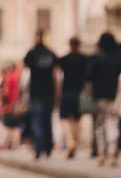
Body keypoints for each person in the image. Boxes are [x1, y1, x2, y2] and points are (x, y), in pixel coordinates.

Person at [87, 32, 121, 166]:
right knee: (113, 124)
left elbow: (89, 76)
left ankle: (101, 153)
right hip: (115, 95)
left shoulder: (95, 57)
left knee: (99, 125)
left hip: (99, 96)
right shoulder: (120, 57)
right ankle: (111, 152)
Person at [24, 29, 59, 159]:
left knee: (37, 120)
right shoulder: (51, 53)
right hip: (49, 91)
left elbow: (26, 64)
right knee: (47, 120)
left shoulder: (32, 53)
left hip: (36, 92)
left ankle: (38, 148)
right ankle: (48, 147)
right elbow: (56, 74)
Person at [59, 36, 87, 159]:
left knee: (64, 118)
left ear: (70, 45)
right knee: (76, 119)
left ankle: (70, 141)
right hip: (79, 92)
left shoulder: (64, 59)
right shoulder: (84, 59)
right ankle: (74, 143)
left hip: (66, 91)